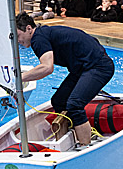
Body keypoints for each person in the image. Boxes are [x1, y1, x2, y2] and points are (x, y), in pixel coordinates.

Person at [16, 12, 116, 148]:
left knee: (74, 105)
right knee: (59, 101)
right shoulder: (43, 34)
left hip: (98, 66)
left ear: (28, 28)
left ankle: (85, 146)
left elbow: (47, 67)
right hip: (83, 68)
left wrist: (19, 78)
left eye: (18, 35)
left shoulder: (37, 38)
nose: (18, 40)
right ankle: (71, 137)